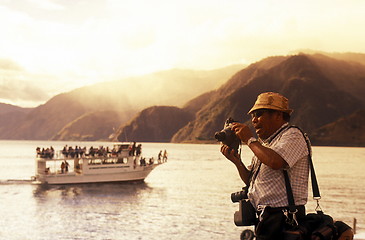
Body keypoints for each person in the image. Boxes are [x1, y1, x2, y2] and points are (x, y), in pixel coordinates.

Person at [220, 92, 310, 239]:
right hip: (267, 220)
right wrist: (237, 162)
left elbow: (276, 162)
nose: (254, 120)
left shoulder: (293, 135)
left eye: (259, 114)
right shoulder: (265, 145)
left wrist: (249, 139)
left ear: (278, 115)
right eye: (252, 116)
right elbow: (251, 181)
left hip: (284, 220)